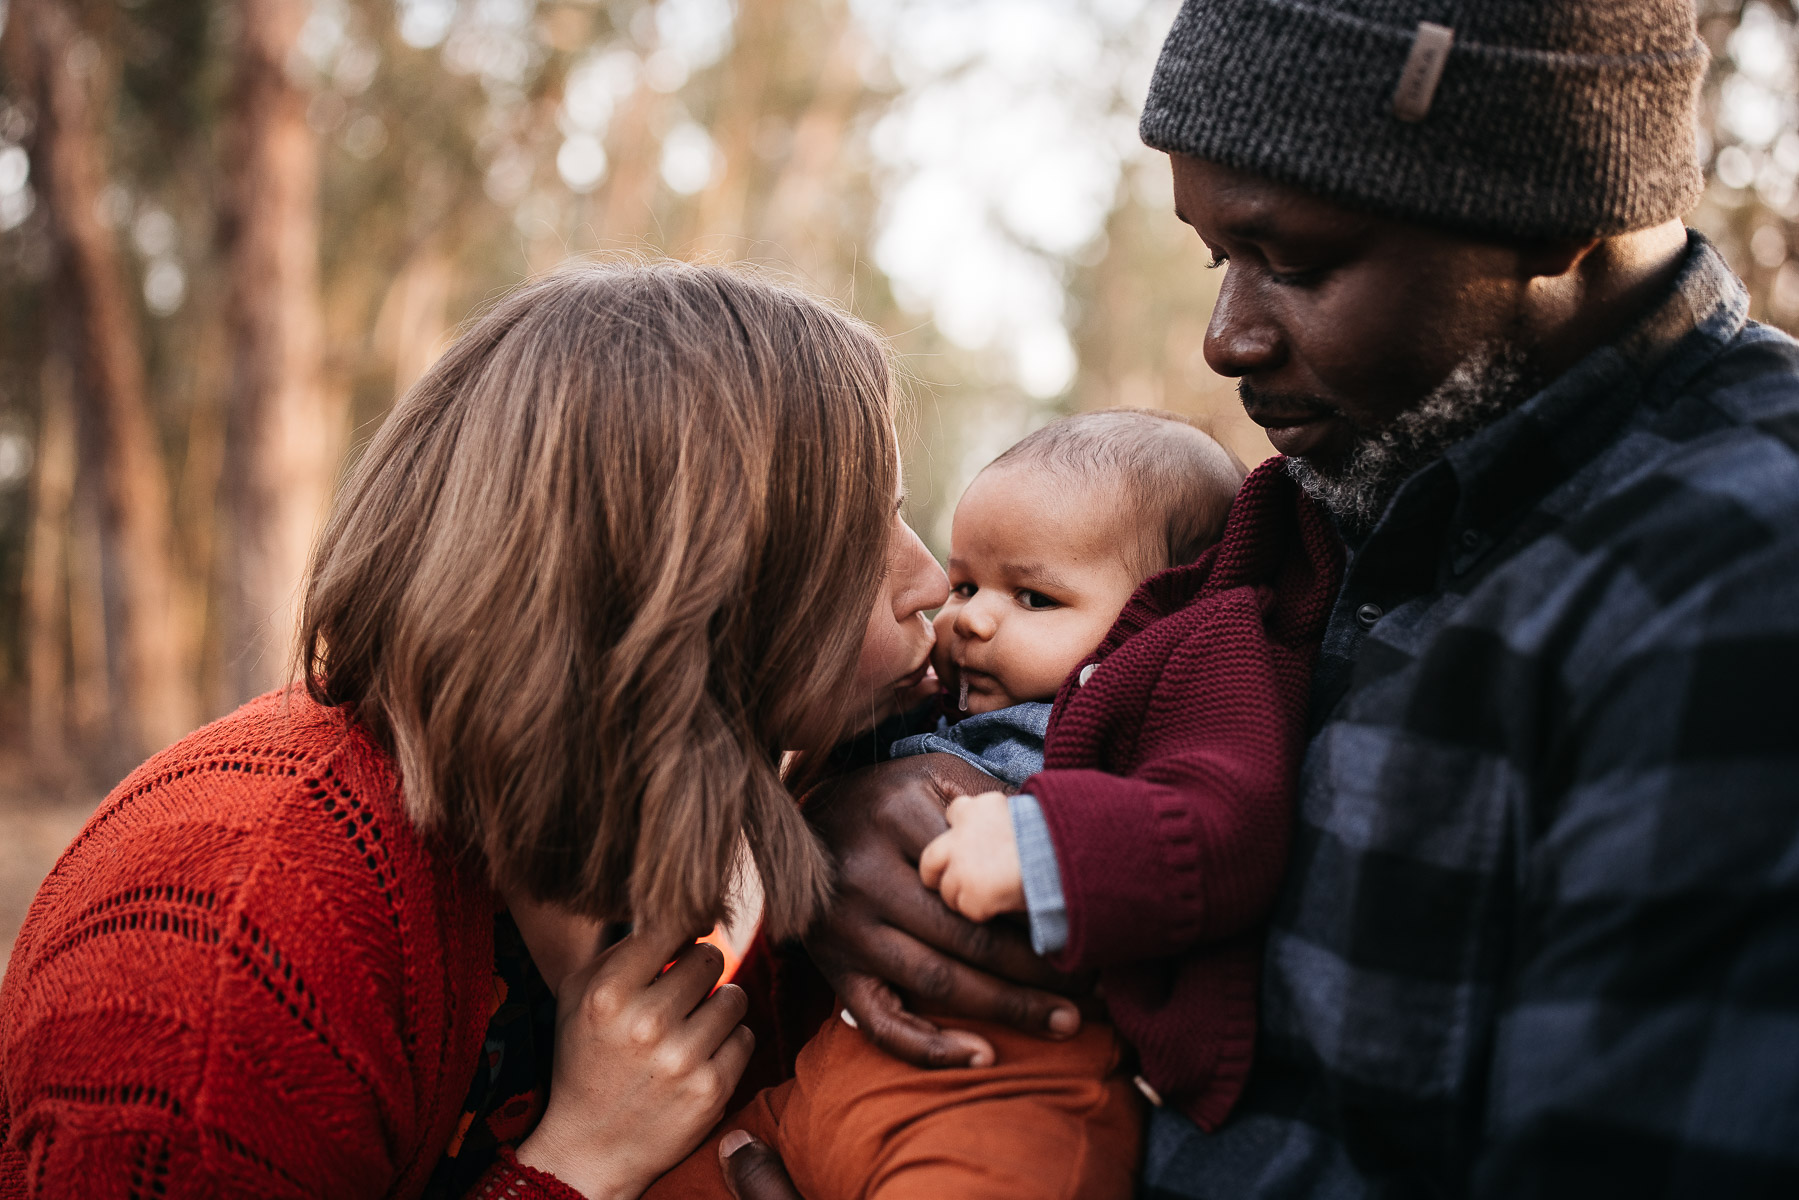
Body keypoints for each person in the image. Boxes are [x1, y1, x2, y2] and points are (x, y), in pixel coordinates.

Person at [719, 1, 1799, 1196]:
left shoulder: (1733, 574)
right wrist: (869, 817)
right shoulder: (1317, 497)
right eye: (1214, 258)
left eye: (1294, 263)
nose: (1224, 338)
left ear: (1552, 211)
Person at [0, 262, 954, 1200]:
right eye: (863, 527)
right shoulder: (231, 952)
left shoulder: (642, 817)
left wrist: (865, 814)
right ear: (686, 576)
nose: (932, 583)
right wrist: (572, 1168)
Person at [651, 408, 1340, 1200]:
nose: (968, 617)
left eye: (1035, 598)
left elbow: (1230, 823)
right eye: (969, 582)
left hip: (1009, 1094)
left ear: (1169, 599)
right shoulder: (950, 699)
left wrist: (1044, 847)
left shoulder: (1191, 668)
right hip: (823, 1085)